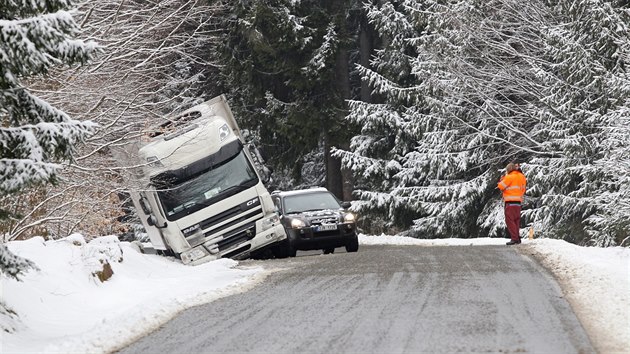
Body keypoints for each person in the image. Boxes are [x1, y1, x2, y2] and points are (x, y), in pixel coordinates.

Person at [498, 163, 527, 245]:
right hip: (518, 201)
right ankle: (517, 237)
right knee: (516, 220)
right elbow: (523, 189)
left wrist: (502, 179)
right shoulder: (522, 176)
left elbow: (501, 186)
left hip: (510, 201)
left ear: (509, 169)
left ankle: (514, 238)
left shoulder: (509, 177)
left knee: (510, 220)